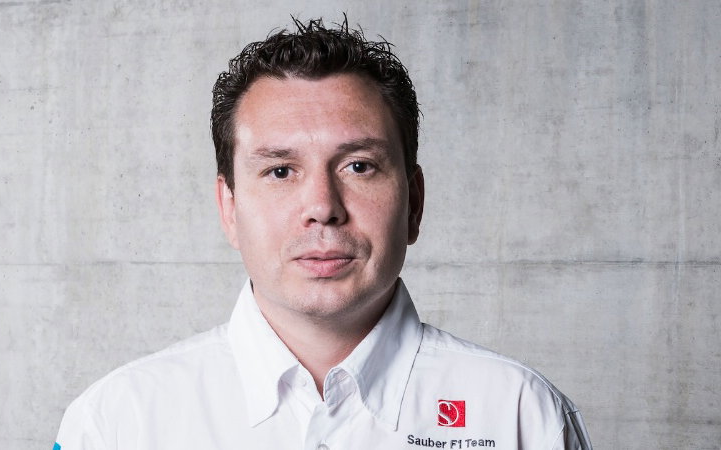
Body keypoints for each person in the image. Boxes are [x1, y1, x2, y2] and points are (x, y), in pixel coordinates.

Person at [54, 17, 592, 450]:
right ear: (229, 207)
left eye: (359, 166)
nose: (322, 208)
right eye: (280, 171)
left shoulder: (523, 416)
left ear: (414, 202)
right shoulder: (115, 423)